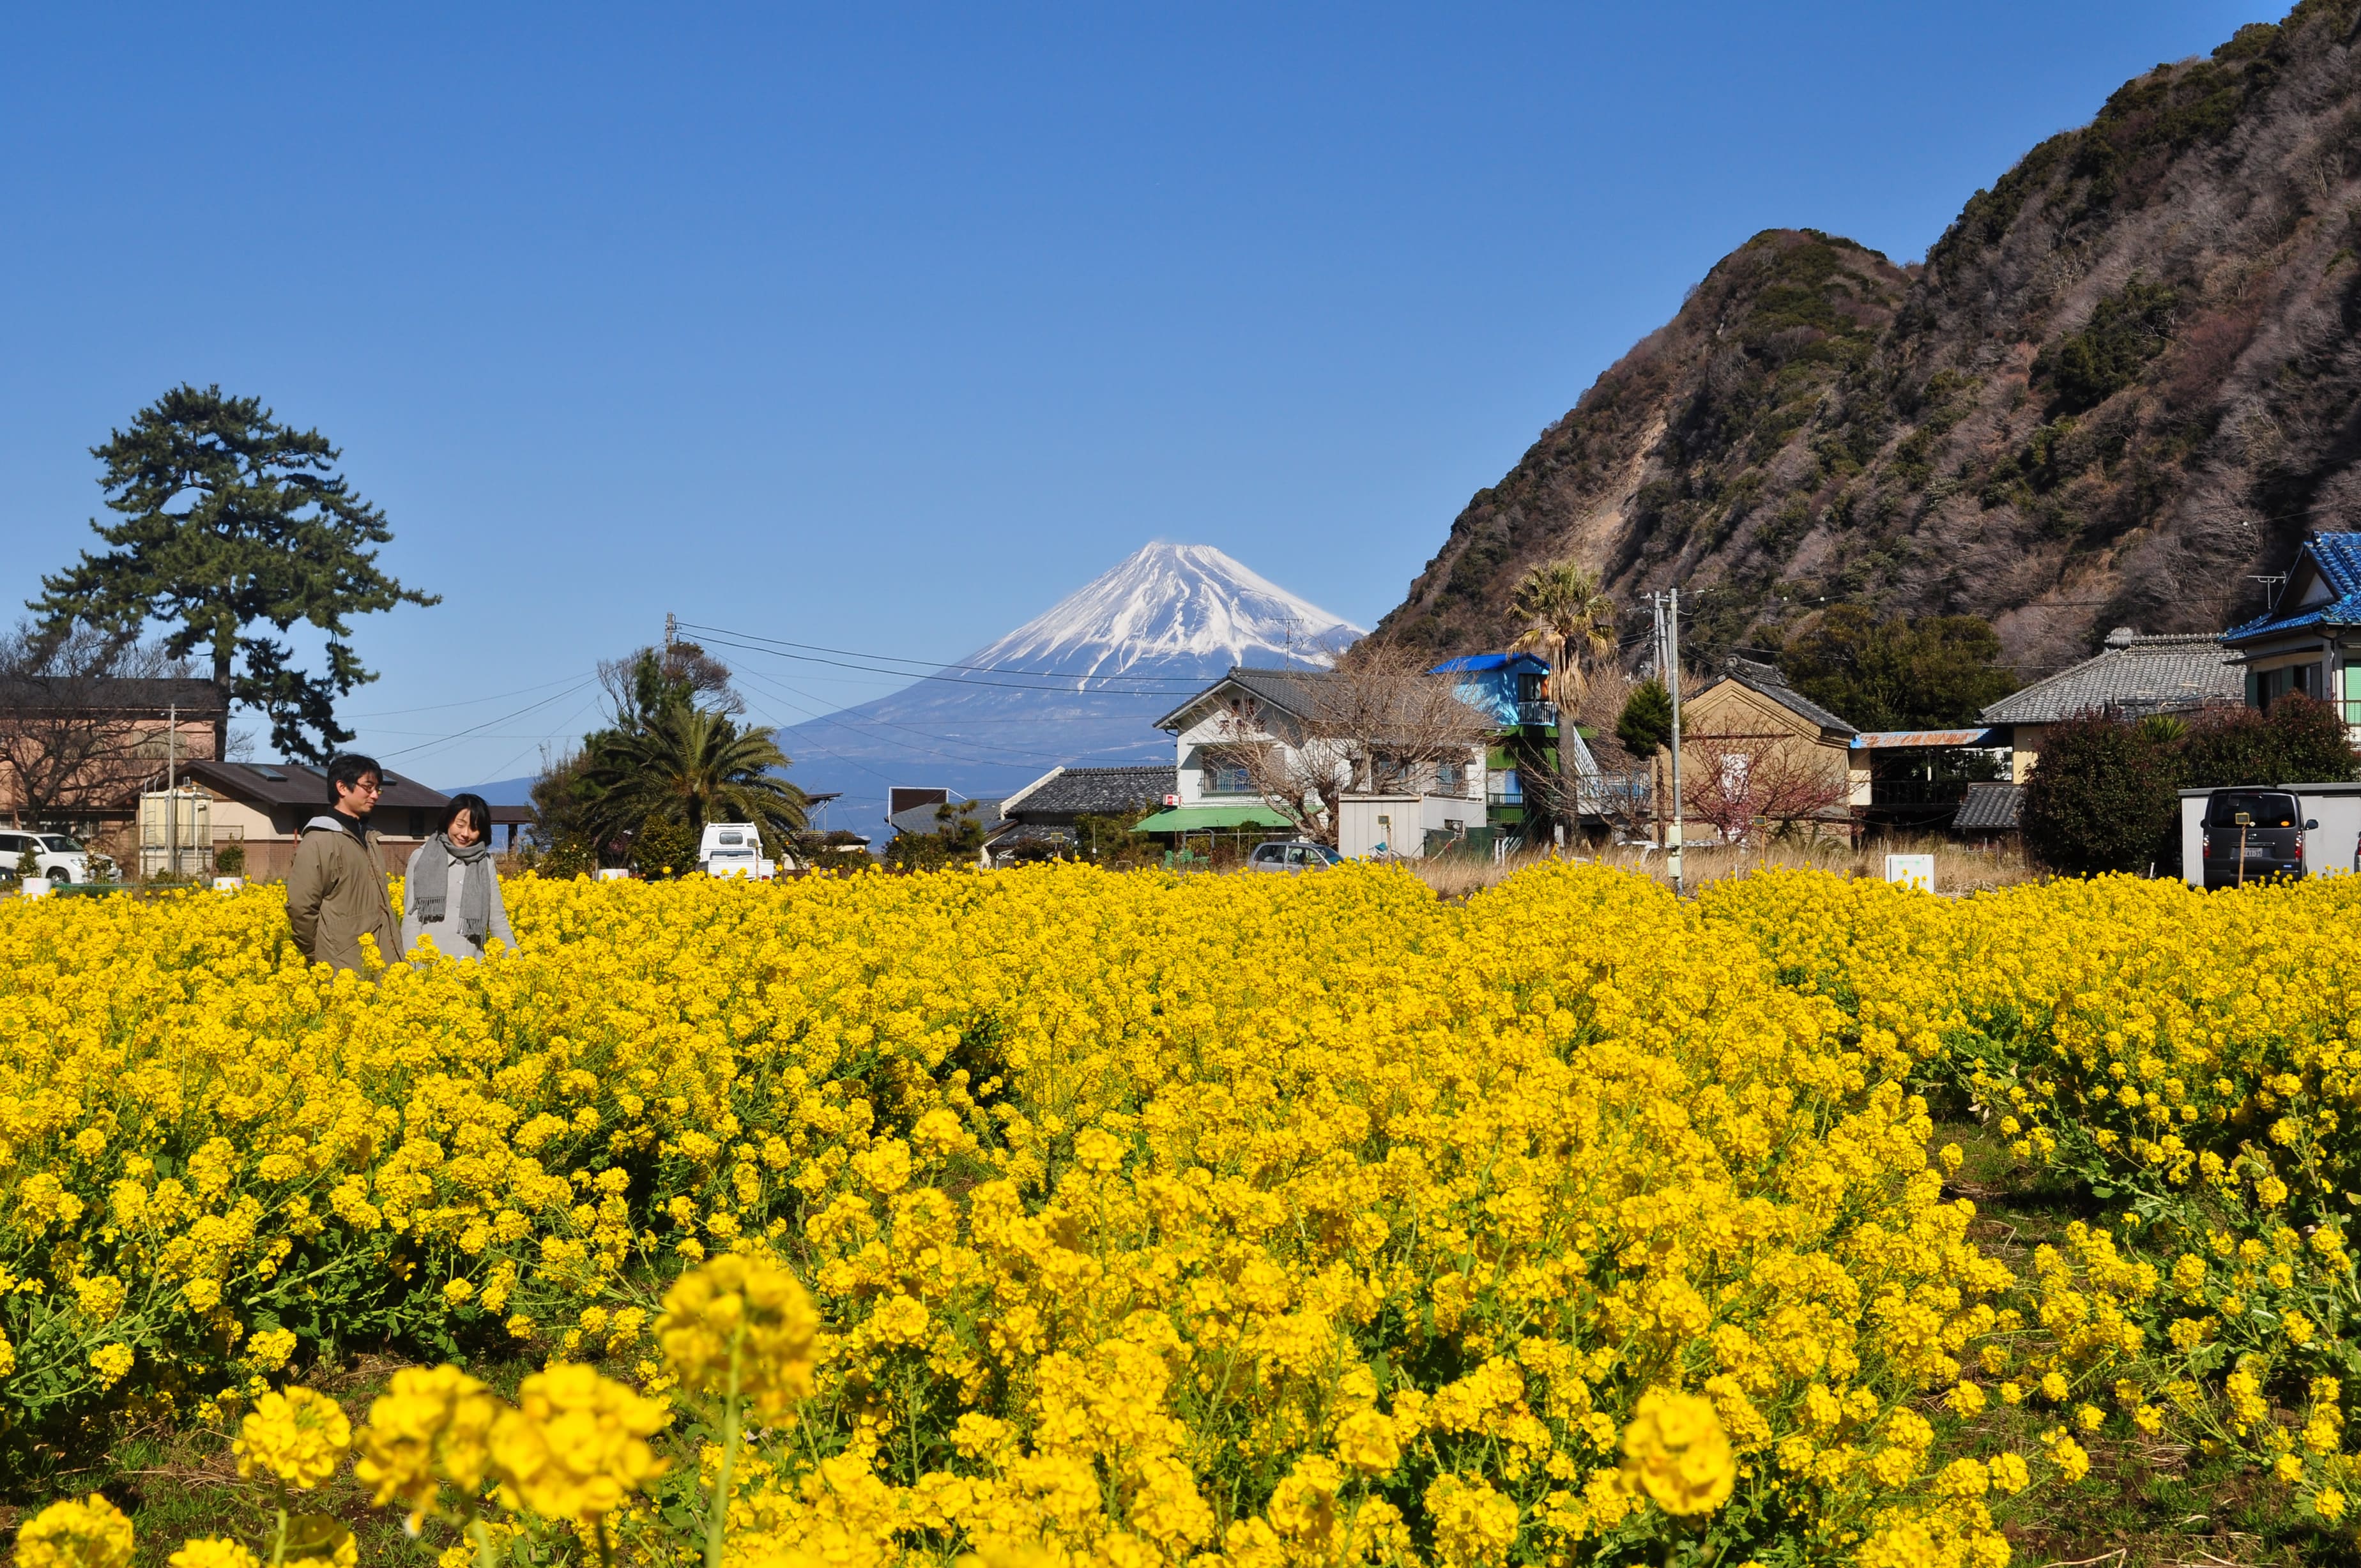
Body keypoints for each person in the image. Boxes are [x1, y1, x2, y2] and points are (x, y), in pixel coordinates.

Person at [286, 754, 401, 974]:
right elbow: (301, 908)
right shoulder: (320, 840)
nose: (375, 795)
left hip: (379, 962)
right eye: (368, 787)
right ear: (342, 787)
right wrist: (319, 953)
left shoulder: (370, 838)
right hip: (342, 967)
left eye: (378, 789)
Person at [401, 793, 514, 961]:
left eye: (474, 828)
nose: (465, 834)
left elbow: (497, 919)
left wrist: (516, 963)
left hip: (473, 968)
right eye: (460, 825)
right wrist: (414, 965)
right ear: (448, 821)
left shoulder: (485, 862)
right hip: (431, 967)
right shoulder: (422, 857)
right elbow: (412, 920)